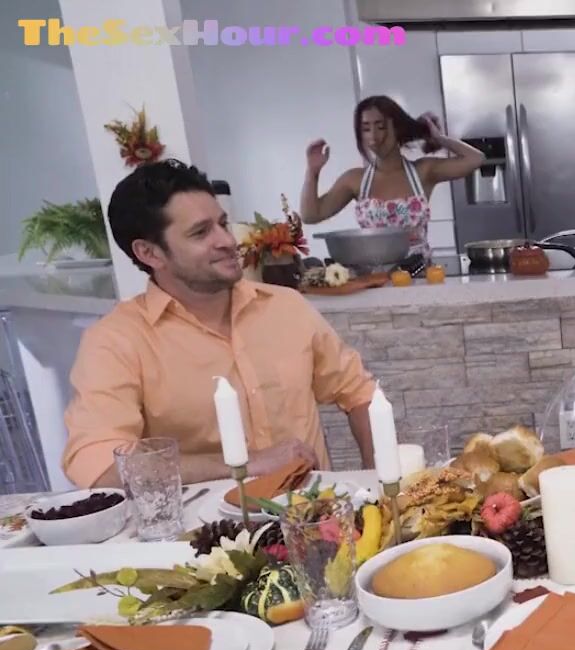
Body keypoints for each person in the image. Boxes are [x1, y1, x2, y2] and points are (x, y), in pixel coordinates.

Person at [62, 159, 378, 489]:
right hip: (206, 521)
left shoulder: (287, 307)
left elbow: (360, 393)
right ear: (149, 253)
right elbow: (98, 466)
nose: (227, 241)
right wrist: (244, 465)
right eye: (200, 233)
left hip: (316, 512)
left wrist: (379, 487)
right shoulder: (117, 340)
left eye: (223, 224)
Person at [299, 95, 484, 256]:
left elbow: (476, 159)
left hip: (419, 276)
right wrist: (312, 171)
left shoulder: (423, 172)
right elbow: (311, 215)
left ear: (398, 129)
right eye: (366, 129)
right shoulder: (355, 180)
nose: (373, 138)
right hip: (374, 277)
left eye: (381, 127)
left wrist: (439, 138)